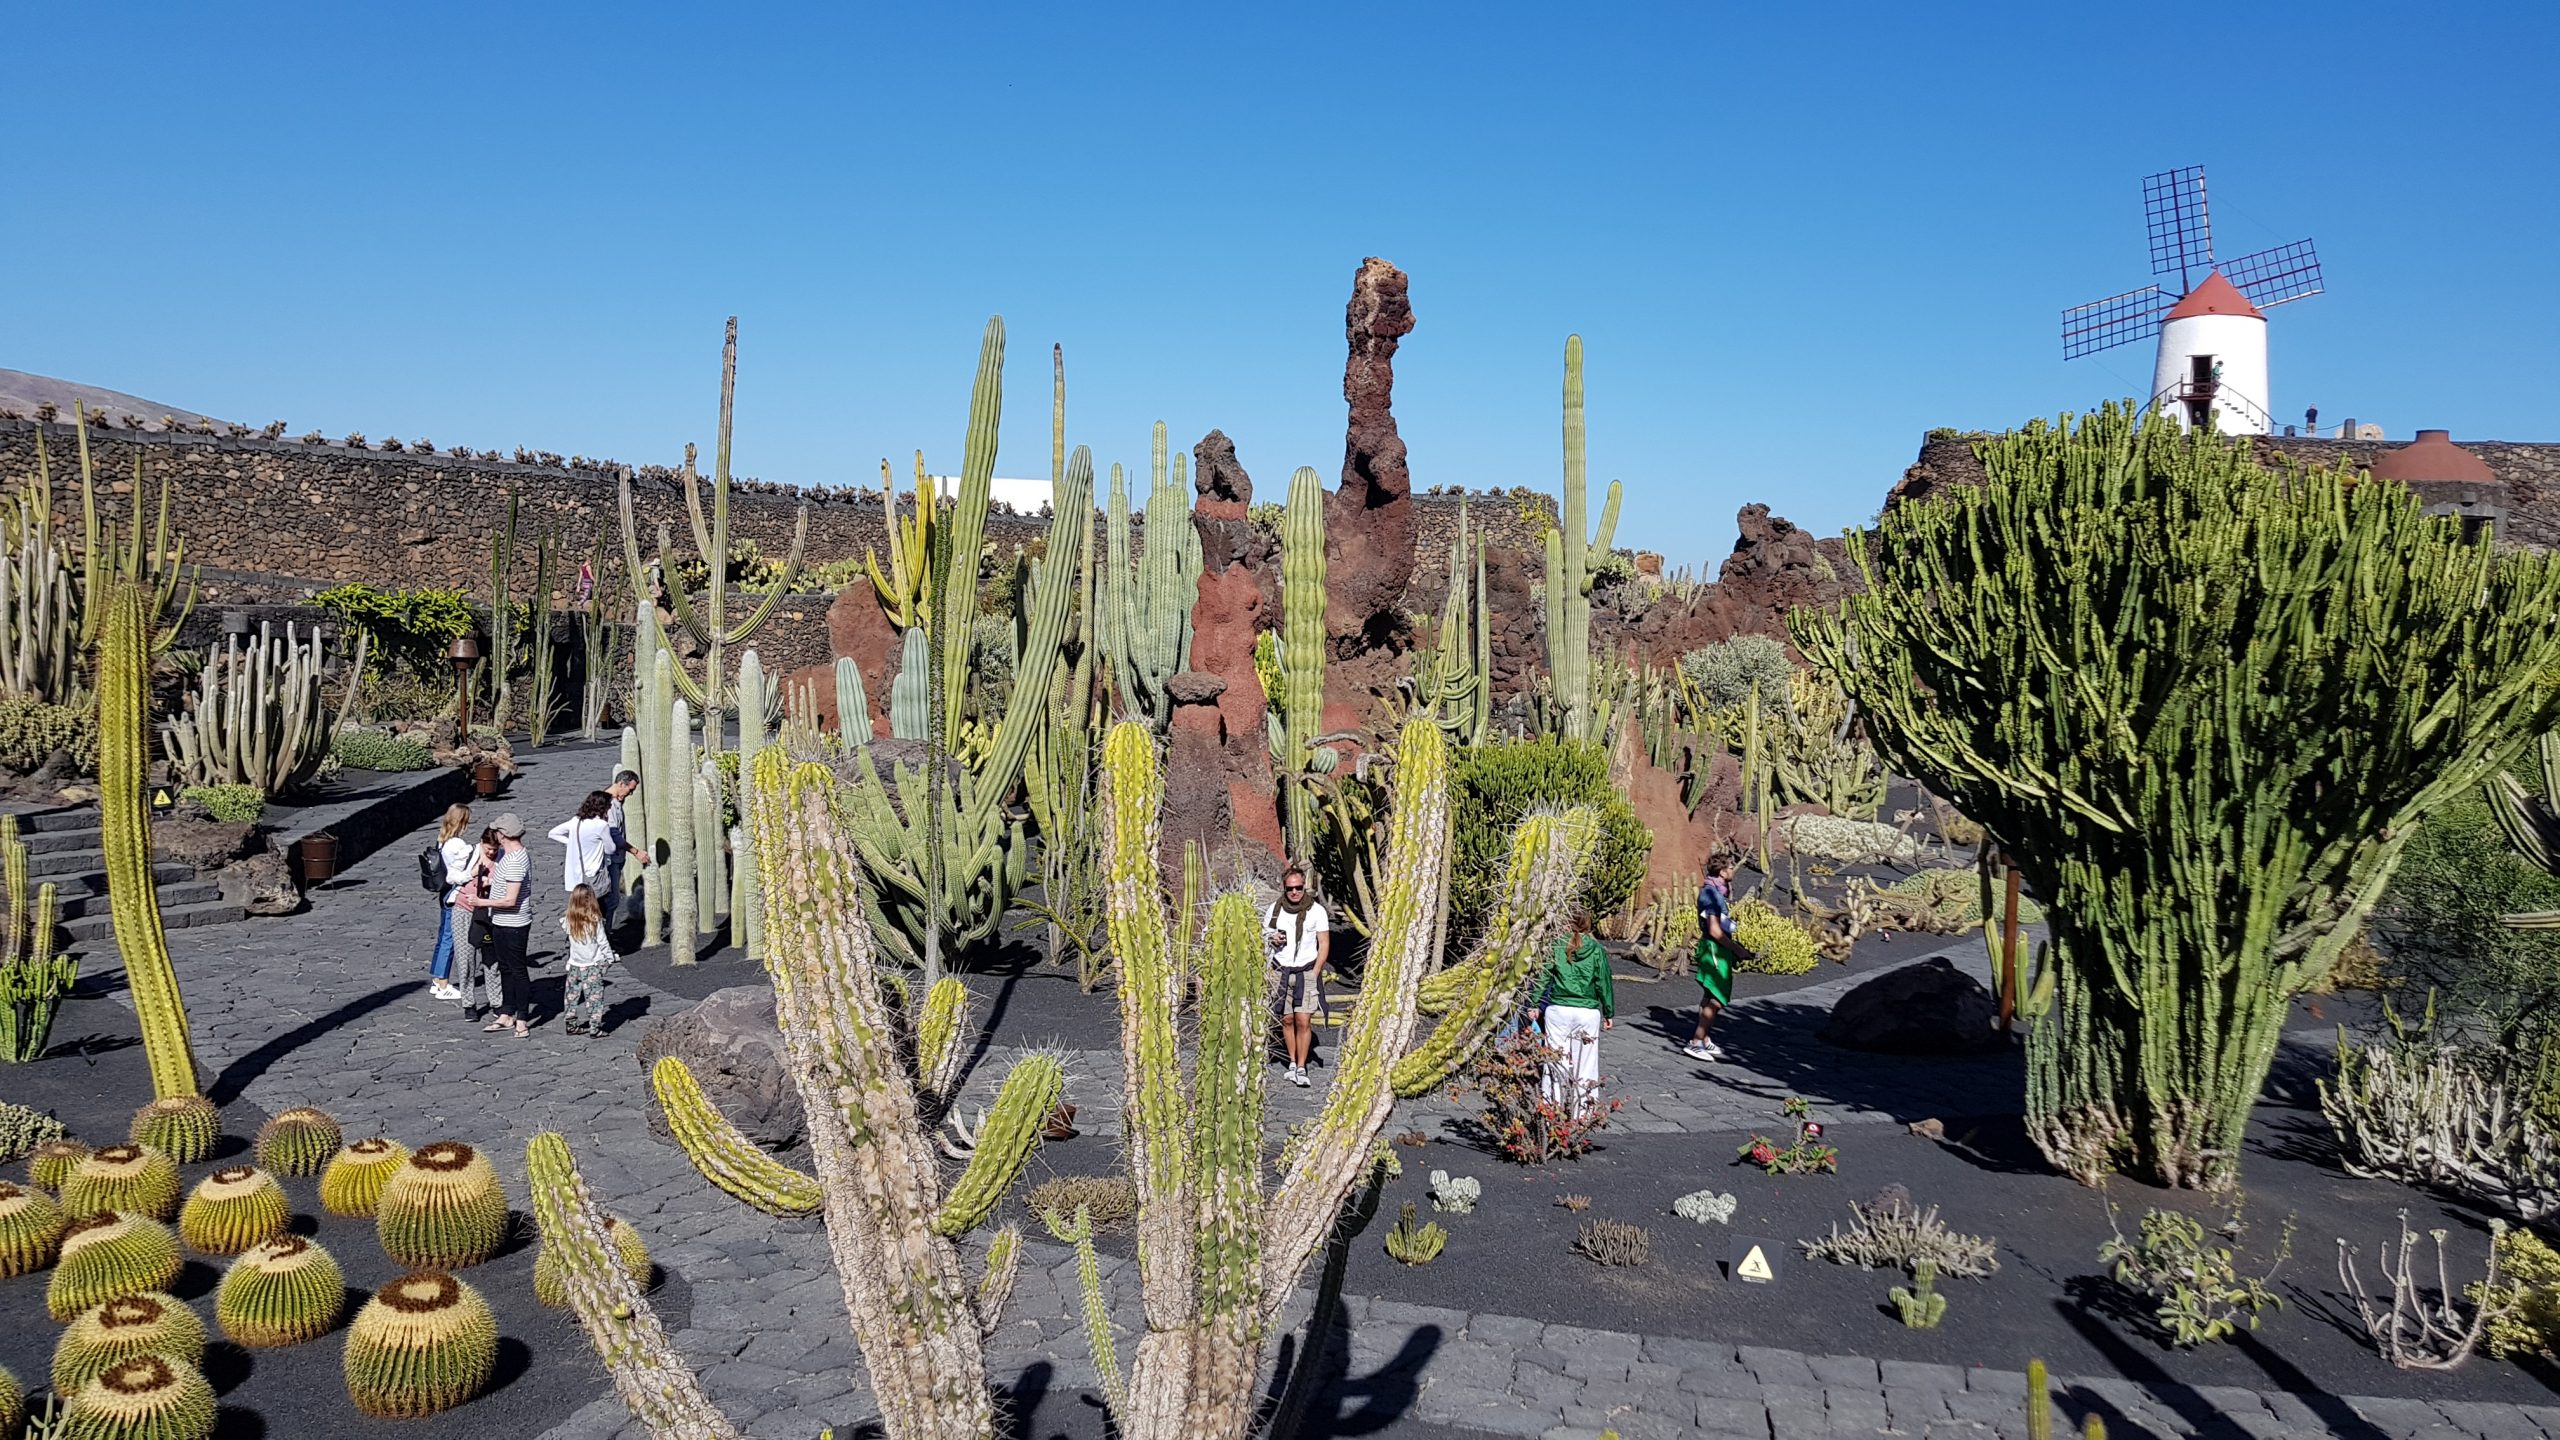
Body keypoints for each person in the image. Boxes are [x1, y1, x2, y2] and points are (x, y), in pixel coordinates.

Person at [456, 813, 535, 1037]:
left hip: (513, 923)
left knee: (517, 970)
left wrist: (482, 901)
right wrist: (492, 882)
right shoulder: (509, 857)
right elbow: (507, 886)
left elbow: (511, 900)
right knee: (505, 968)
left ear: (503, 835)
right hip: (500, 921)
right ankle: (506, 1012)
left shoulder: (515, 860)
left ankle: (522, 1018)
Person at [1537, 907, 1615, 1115]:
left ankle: (1550, 1111)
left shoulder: (1556, 945)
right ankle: (1583, 1115)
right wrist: (1609, 1012)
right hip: (1587, 1011)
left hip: (1558, 1008)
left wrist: (1534, 1003)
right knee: (1586, 1064)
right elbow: (1603, 982)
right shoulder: (1596, 950)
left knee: (1554, 1060)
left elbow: (1544, 976)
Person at [1265, 863, 1331, 1088]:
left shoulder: (1316, 911)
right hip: (1281, 970)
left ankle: (1302, 1067)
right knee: (1287, 1019)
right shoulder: (1275, 910)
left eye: (1299, 888)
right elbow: (1264, 935)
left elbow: (1324, 944)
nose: (1294, 892)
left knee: (1304, 1020)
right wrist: (1272, 939)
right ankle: (1292, 1062)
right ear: (1284, 889)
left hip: (1306, 970)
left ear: (1305, 887)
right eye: (1290, 889)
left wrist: (1316, 971)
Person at [1685, 852, 1741, 1061]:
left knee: (1710, 994)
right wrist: (1737, 950)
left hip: (1717, 949)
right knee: (1718, 997)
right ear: (1722, 871)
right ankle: (1696, 1042)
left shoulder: (1716, 892)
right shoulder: (1711, 895)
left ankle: (1705, 1038)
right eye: (1731, 866)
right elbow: (1715, 930)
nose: (1733, 870)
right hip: (1715, 950)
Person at [429, 805, 478, 1001]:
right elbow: (456, 875)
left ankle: (437, 977)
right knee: (450, 938)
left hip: (443, 893)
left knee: (443, 936)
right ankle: (443, 983)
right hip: (453, 893)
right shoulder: (457, 844)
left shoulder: (442, 841)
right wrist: (472, 873)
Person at [559, 885, 614, 1036]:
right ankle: (595, 1027)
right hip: (592, 965)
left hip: (574, 965)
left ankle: (570, 1024)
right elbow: (602, 942)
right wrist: (609, 957)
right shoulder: (595, 921)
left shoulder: (568, 921)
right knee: (594, 997)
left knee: (571, 996)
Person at [550, 792, 616, 906]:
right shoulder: (601, 825)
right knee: (599, 908)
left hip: (577, 874)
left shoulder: (576, 821)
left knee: (580, 909)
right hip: (594, 875)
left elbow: (553, 833)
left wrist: (571, 843)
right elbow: (611, 849)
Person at [604, 770, 649, 929]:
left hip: (616, 859)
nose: (630, 794)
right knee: (611, 900)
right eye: (630, 790)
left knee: (612, 900)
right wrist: (636, 852)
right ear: (621, 784)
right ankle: (606, 938)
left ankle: (606, 936)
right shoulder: (608, 805)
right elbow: (614, 835)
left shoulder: (615, 803)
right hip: (610, 860)